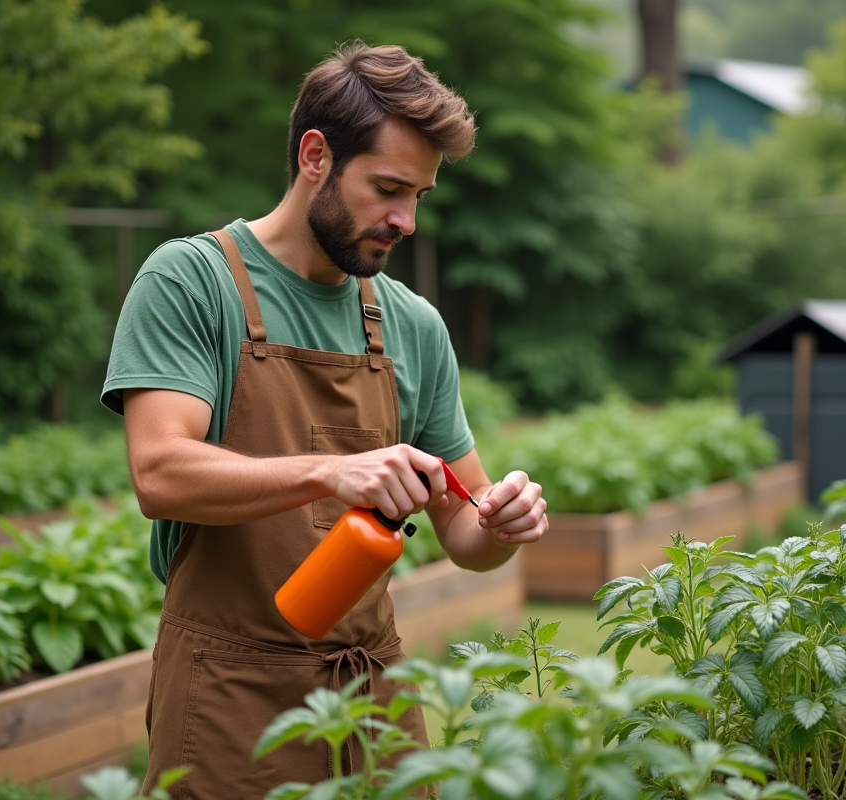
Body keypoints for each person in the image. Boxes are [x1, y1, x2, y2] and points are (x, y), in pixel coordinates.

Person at [100, 42, 548, 798]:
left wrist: (501, 523)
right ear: (316, 155)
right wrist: (328, 471)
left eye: (420, 197)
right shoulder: (191, 281)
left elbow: (463, 532)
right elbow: (160, 473)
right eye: (387, 189)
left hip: (373, 698)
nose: (405, 220)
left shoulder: (412, 325)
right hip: (227, 699)